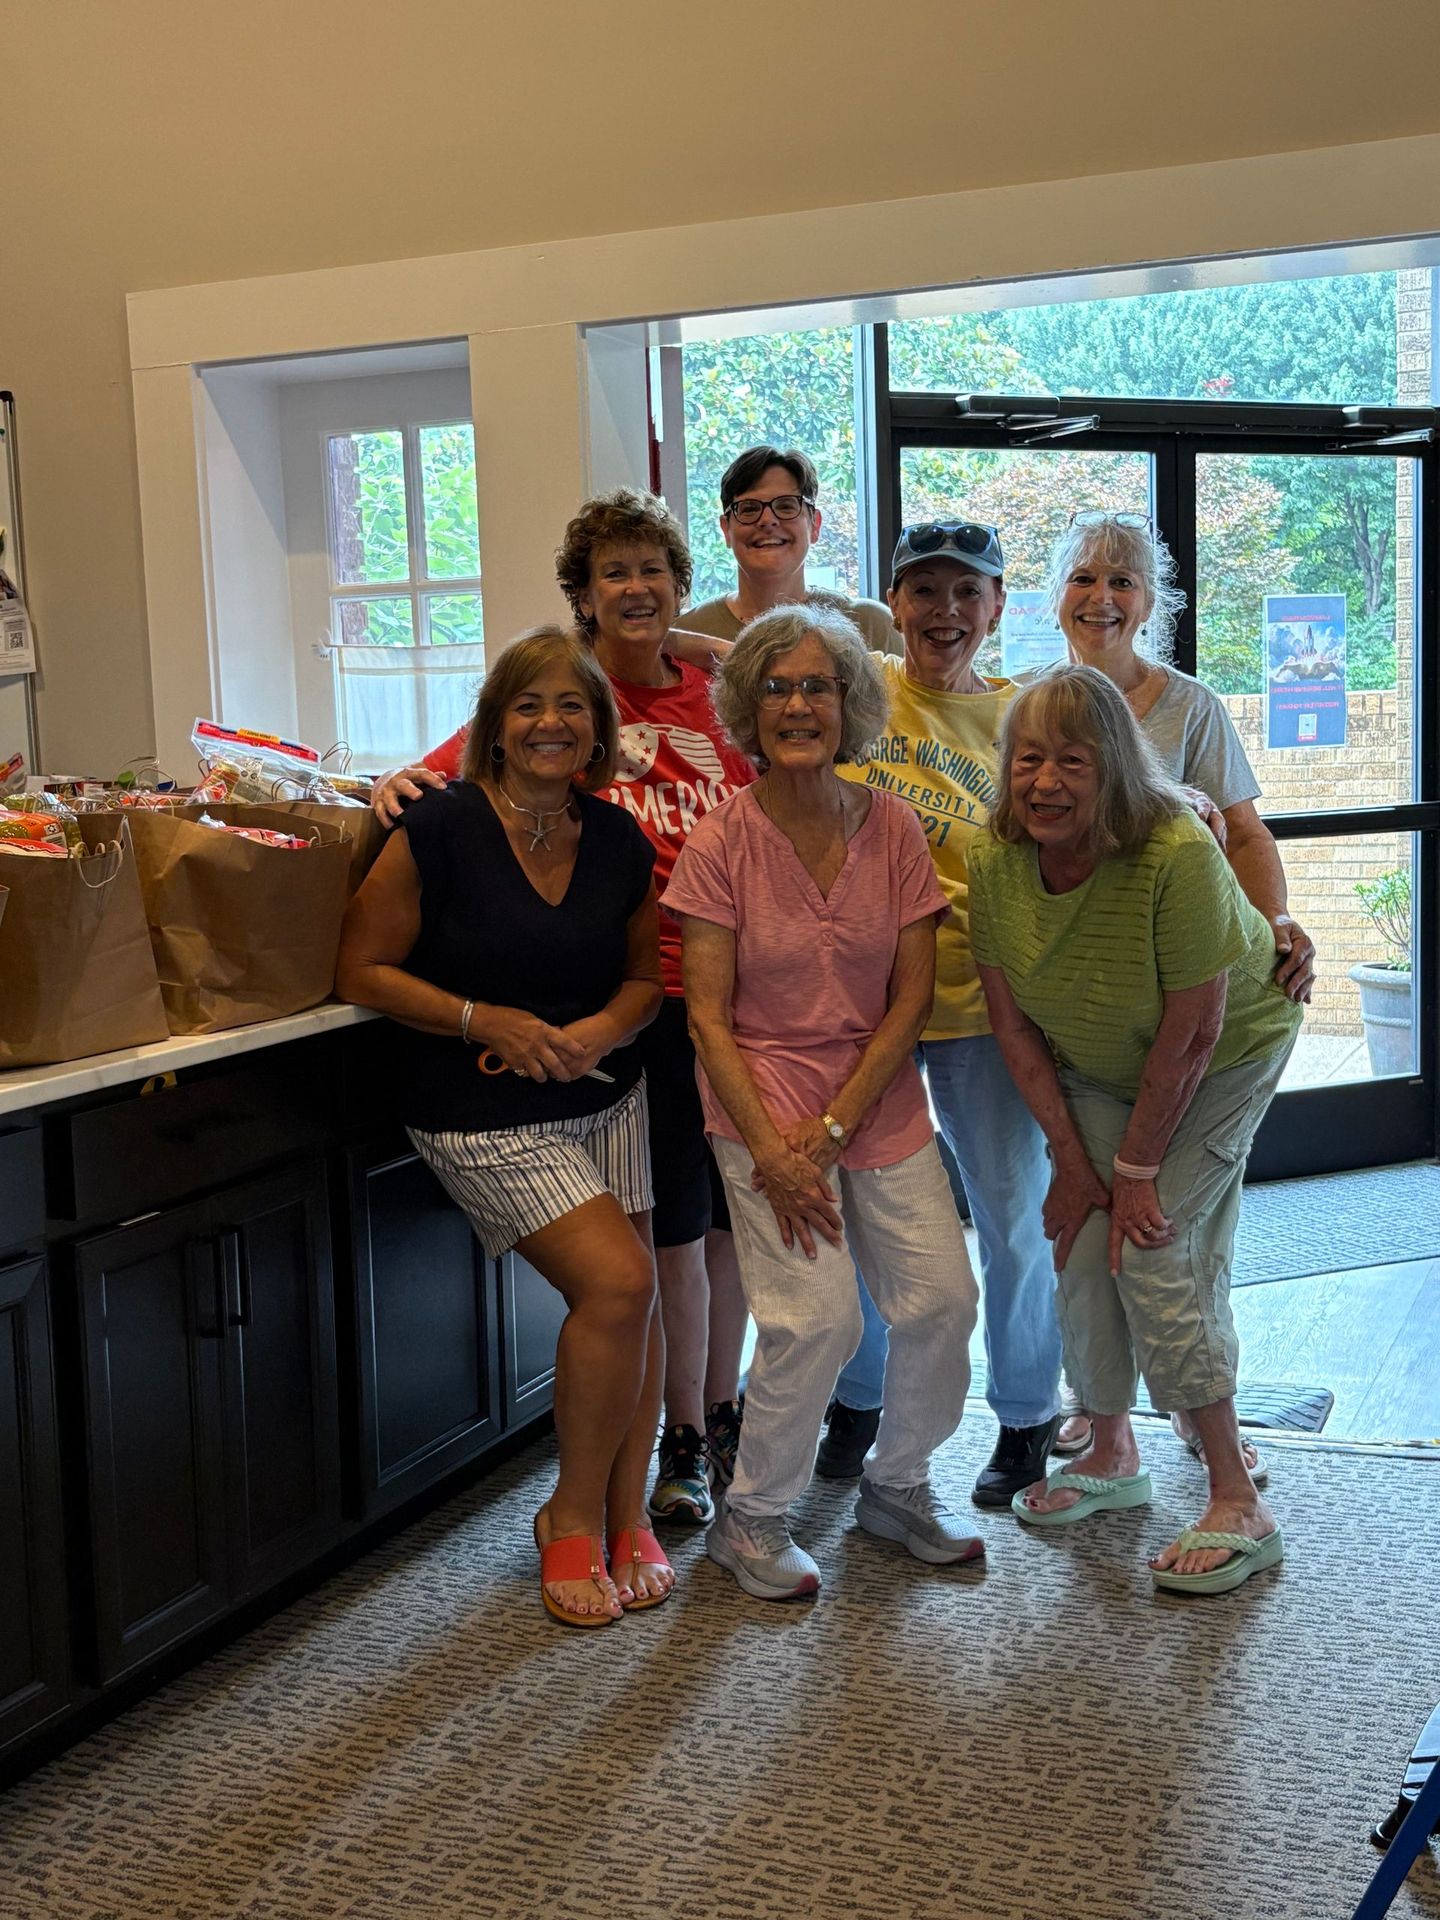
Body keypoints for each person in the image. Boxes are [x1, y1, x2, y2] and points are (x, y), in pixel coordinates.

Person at [371, 491, 755, 1526]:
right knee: (667, 1239)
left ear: (679, 585)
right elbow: (452, 771)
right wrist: (389, 787)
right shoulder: (566, 700)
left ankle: (722, 1417)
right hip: (634, 1009)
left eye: (652, 571)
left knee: (726, 1227)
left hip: (729, 998)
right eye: (613, 574)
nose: (636, 589)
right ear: (582, 597)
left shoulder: (718, 697)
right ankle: (681, 1438)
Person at [335, 627, 668, 1627]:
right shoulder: (437, 827)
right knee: (618, 1282)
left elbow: (645, 980)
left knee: (633, 1309)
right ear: (494, 725)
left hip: (603, 1091)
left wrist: (597, 1030)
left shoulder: (617, 839)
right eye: (529, 706)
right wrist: (489, 1020)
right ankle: (566, 1514)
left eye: (572, 707)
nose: (551, 724)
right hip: (475, 1104)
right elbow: (362, 971)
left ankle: (625, 1512)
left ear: (599, 729)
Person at [666, 605, 982, 1599]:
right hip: (757, 1099)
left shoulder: (889, 825)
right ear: (746, 708)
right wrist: (777, 1149)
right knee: (815, 1321)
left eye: (818, 687)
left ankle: (897, 1486)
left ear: (850, 707)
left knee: (940, 1299)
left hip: (872, 1094)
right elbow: (708, 1022)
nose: (799, 704)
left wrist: (837, 1125)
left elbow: (913, 995)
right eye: (777, 687)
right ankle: (752, 1518)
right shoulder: (722, 841)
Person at [968, 665, 1303, 1595]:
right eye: (1029, 758)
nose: (1046, 782)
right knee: (1078, 1232)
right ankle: (1111, 1450)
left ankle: (1238, 1496)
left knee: (1155, 1246)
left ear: (1114, 766)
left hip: (1228, 1053)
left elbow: (1197, 1028)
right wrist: (1076, 1166)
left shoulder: (1171, 848)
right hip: (1103, 1062)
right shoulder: (994, 859)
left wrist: (1140, 1167)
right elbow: (1012, 1027)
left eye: (1073, 761)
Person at [1044, 510, 1316, 1460]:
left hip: (1196, 1009)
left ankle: (1210, 1420)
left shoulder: (1188, 706)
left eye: (1123, 583)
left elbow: (1244, 834)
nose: (1102, 598)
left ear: (1152, 604)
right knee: (1089, 1227)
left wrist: (1270, 925)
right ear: (1056, 596)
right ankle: (1104, 1410)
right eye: (1084, 578)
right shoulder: (1032, 706)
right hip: (1087, 1018)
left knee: (1182, 1223)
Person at [827, 521, 1065, 1508]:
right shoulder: (858, 694)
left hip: (982, 1001)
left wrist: (1187, 794)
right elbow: (738, 659)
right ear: (894, 604)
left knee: (1011, 1217)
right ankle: (858, 1397)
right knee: (861, 1216)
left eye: (968, 593)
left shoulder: (1025, 714)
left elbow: (1109, 787)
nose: (946, 613)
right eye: (925, 591)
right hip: (860, 1008)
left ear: (999, 605)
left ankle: (1024, 1416)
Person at [682, 444, 900, 654]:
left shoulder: (871, 627)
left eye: (786, 506)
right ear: (726, 529)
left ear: (815, 525)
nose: (767, 520)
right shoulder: (685, 634)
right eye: (749, 509)